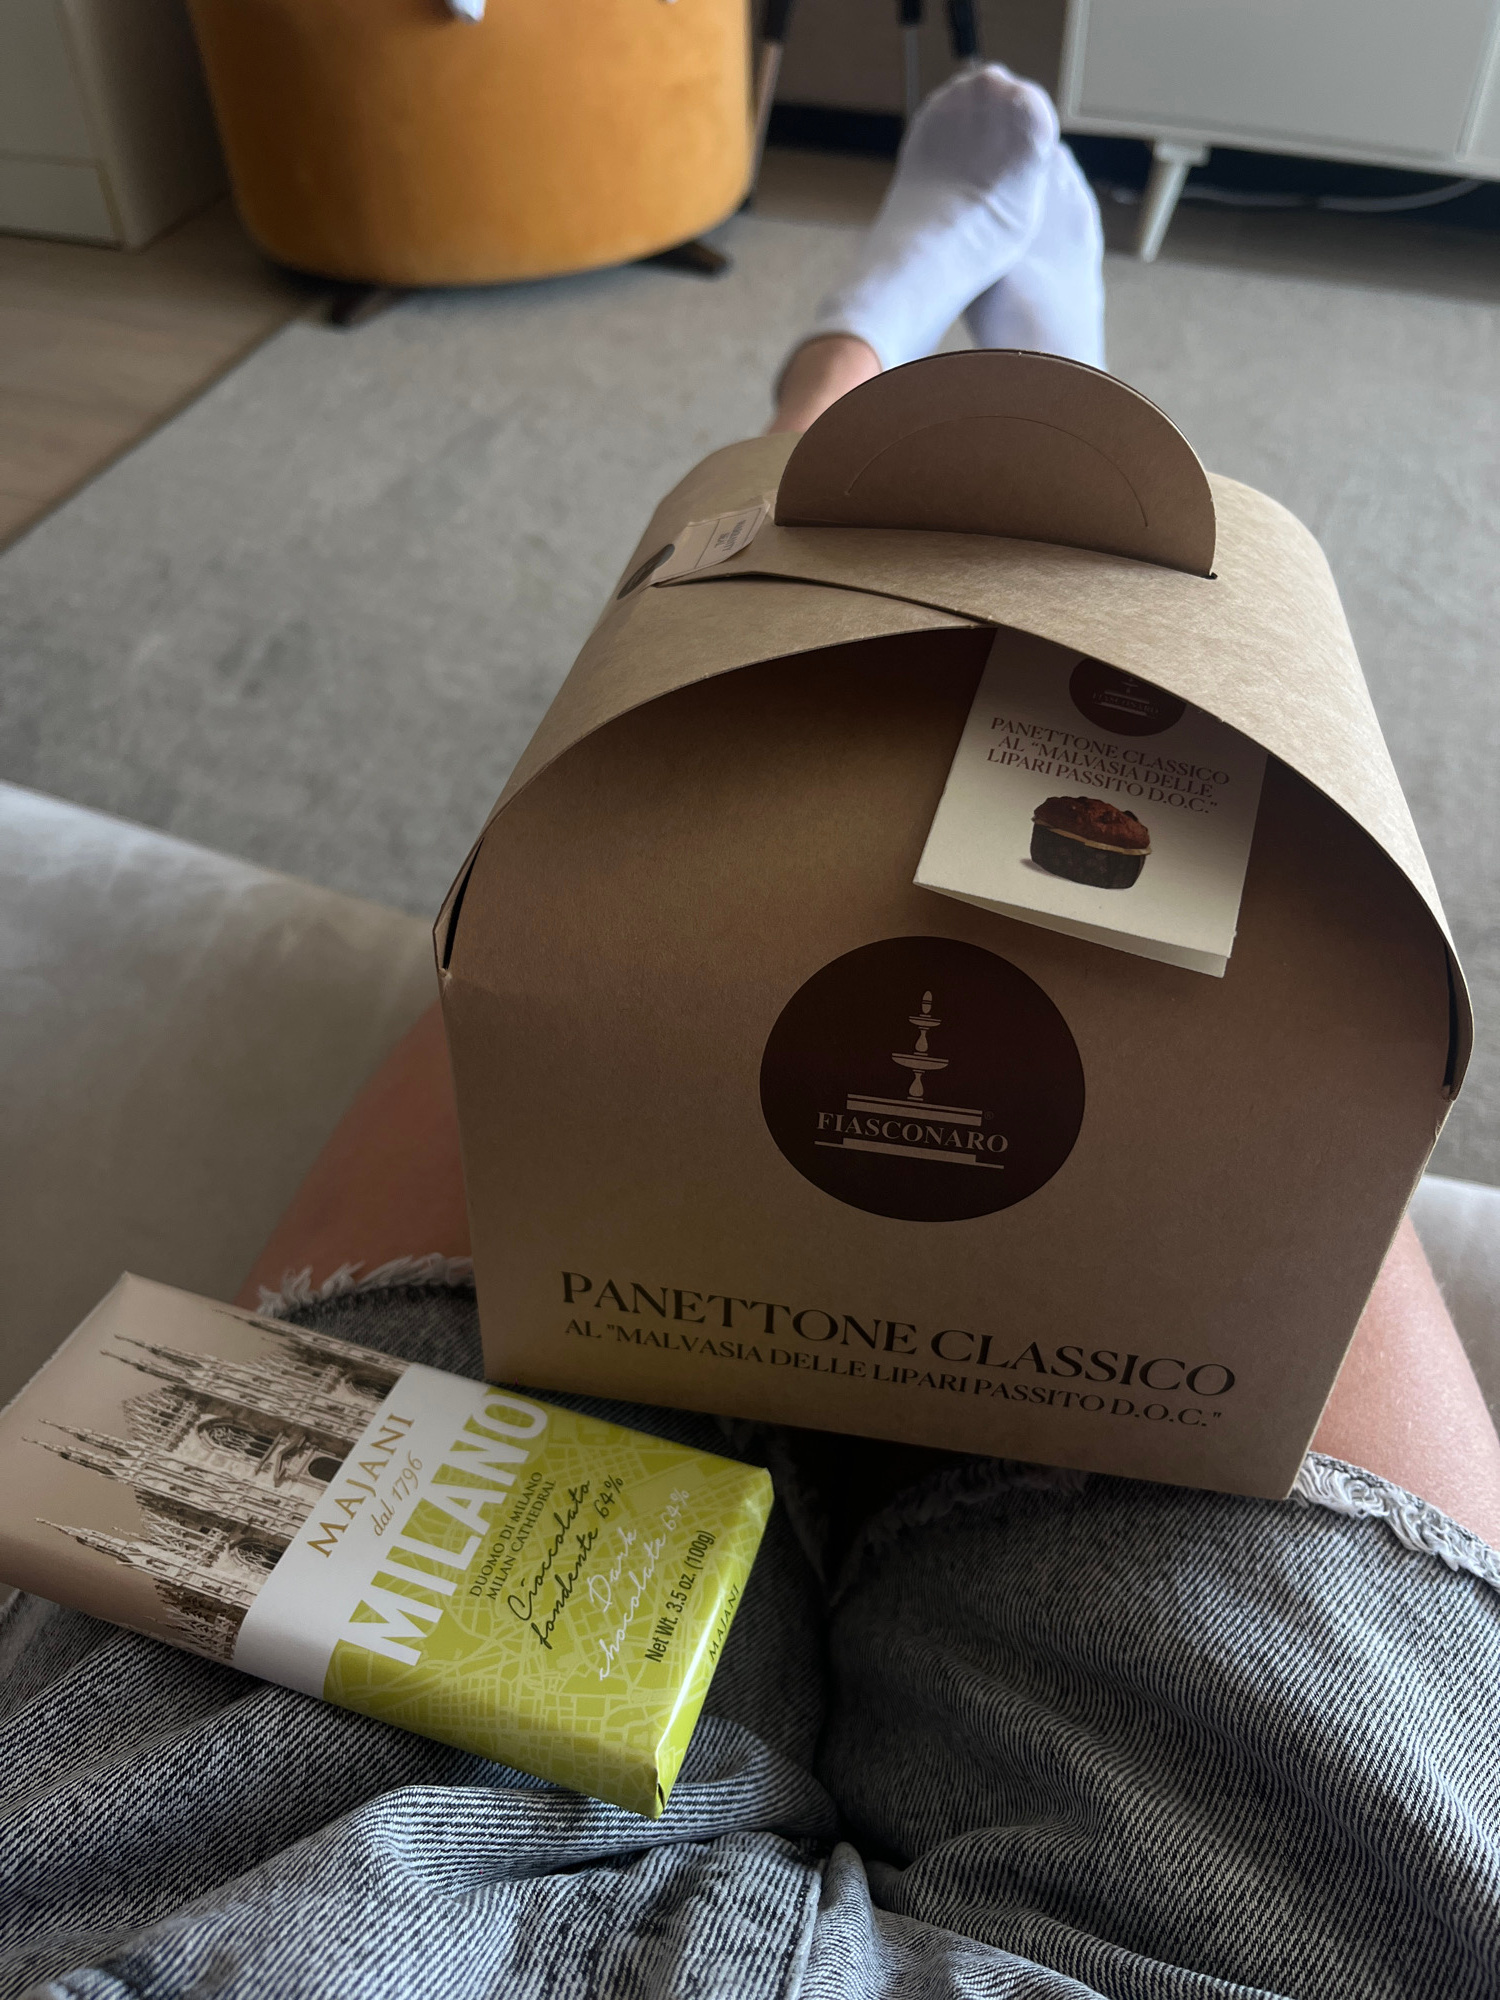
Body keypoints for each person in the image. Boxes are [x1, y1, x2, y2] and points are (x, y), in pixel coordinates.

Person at [5, 68, 1499, 2000]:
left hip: (251, 1897)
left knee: (650, 832)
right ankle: (972, 423)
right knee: (1204, 1085)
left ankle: (855, 397)